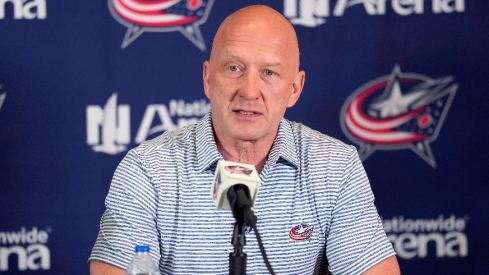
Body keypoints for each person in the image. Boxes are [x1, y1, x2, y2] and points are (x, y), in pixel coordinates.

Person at [89, 4, 400, 275]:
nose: (249, 91)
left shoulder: (334, 166)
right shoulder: (147, 170)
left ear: (294, 88)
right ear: (208, 79)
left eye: (269, 72)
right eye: (234, 68)